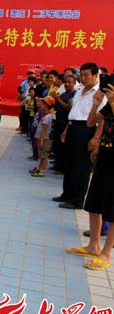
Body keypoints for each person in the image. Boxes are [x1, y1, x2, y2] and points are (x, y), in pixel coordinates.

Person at [66, 84, 114, 270]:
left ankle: (106, 252)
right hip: (104, 157)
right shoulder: (109, 104)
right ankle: (93, 245)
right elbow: (91, 122)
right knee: (95, 202)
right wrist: (96, 104)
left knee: (111, 206)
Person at [52, 63, 106, 209]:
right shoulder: (79, 90)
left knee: (81, 166)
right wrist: (66, 129)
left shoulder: (101, 93)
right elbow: (74, 111)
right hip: (72, 127)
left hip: (87, 129)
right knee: (69, 162)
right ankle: (67, 194)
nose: (83, 78)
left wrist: (96, 138)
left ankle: (77, 200)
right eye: (81, 75)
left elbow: (103, 118)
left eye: (86, 75)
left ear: (95, 75)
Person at [50, 74, 77, 173]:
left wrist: (58, 99)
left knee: (63, 146)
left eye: (69, 82)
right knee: (56, 144)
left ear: (74, 83)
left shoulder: (74, 94)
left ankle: (62, 168)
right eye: (65, 82)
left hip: (65, 123)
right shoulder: (63, 94)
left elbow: (68, 107)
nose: (67, 84)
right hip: (58, 121)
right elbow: (57, 106)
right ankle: (57, 164)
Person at [29, 96, 54, 177]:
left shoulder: (47, 117)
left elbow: (44, 130)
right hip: (41, 138)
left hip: (44, 139)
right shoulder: (45, 115)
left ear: (46, 105)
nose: (40, 105)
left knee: (44, 156)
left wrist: (41, 140)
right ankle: (39, 168)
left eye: (42, 104)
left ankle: (42, 170)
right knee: (41, 155)